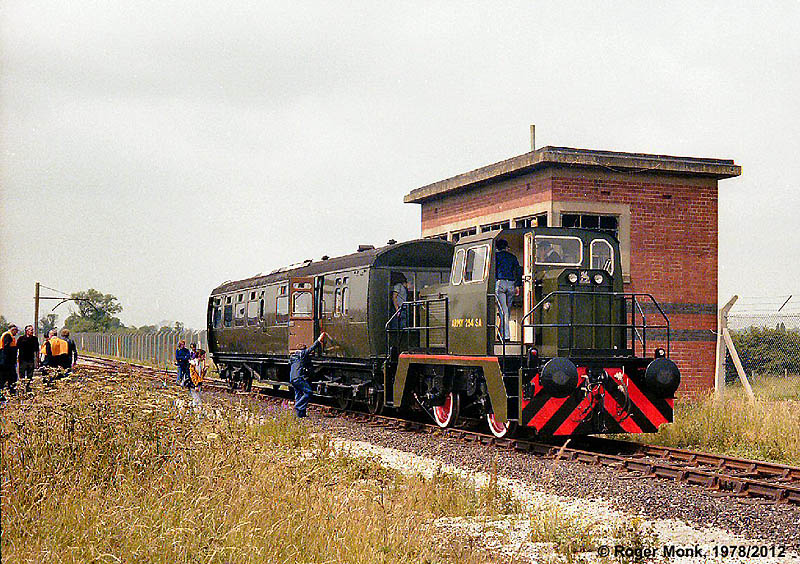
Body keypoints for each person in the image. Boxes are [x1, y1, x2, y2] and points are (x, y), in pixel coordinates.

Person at [288, 332, 327, 418]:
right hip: (298, 378)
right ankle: (297, 406)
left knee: (298, 395)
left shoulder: (293, 357)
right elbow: (311, 348)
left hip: (292, 378)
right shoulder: (302, 354)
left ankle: (300, 415)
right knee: (308, 392)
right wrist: (319, 340)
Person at [494, 239, 522, 341]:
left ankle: (505, 336)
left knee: (503, 311)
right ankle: (501, 333)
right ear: (506, 247)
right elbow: (518, 271)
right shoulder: (512, 257)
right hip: (511, 284)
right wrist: (517, 285)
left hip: (500, 283)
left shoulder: (496, 256)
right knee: (507, 311)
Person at [16, 325, 39, 392]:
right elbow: (17, 349)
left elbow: (37, 350)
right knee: (22, 375)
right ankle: (22, 389)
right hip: (22, 360)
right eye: (30, 330)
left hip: (30, 360)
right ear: (26, 331)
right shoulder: (21, 339)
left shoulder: (35, 339)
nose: (32, 331)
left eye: (32, 330)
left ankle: (28, 388)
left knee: (30, 375)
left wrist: (37, 360)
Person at [1, 324, 19, 397]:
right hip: (6, 362)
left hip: (7, 361)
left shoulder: (9, 336)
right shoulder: (8, 336)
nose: (16, 333)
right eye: (16, 331)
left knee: (9, 378)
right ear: (12, 330)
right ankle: (8, 393)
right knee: (8, 378)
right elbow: (6, 348)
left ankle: (9, 393)